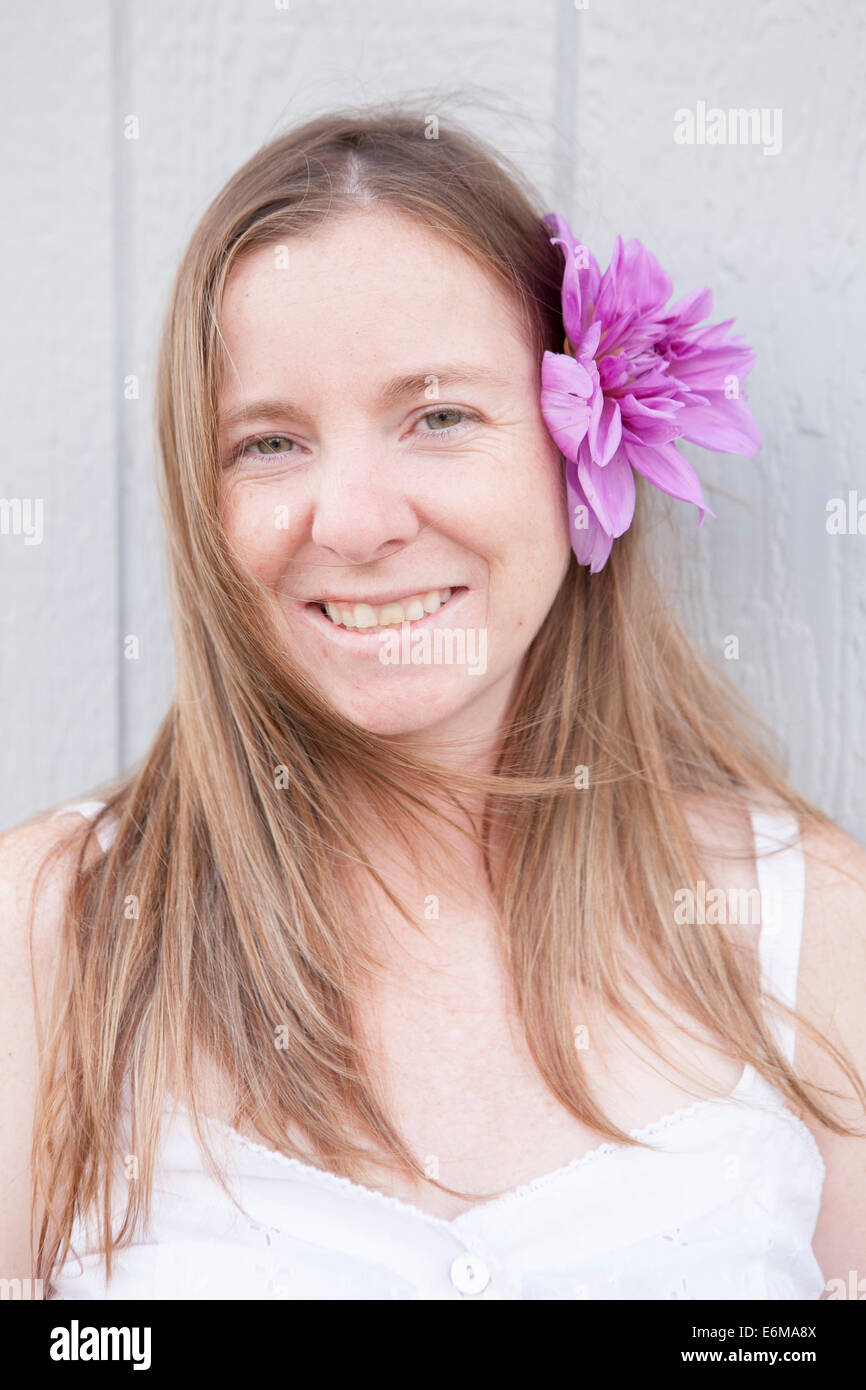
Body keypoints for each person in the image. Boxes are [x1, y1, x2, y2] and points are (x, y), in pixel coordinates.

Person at [2, 101, 864, 1302]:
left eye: (440, 416)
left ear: (580, 446)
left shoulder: (807, 929)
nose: (354, 521)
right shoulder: (51, 936)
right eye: (269, 443)